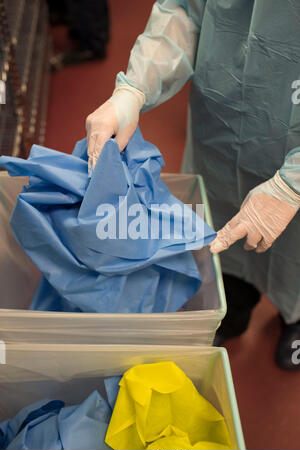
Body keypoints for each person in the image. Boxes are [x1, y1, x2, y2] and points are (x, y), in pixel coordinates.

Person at [85, 0, 300, 370]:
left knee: (295, 255)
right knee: (222, 234)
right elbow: (184, 10)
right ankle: (230, 309)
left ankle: (295, 318)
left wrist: (292, 186)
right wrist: (135, 86)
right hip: (223, 122)